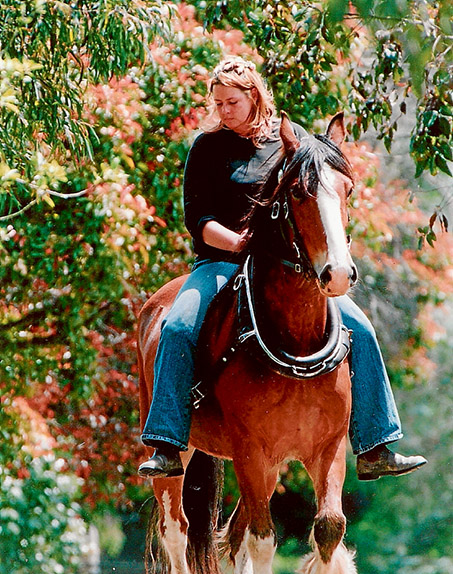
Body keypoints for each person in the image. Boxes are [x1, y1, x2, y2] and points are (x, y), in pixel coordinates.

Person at [138, 56, 426, 482]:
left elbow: (319, 195)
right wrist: (236, 242)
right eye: (217, 103)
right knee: (178, 326)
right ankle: (165, 441)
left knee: (361, 328)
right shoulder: (207, 147)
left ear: (254, 96)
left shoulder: (291, 144)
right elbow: (197, 218)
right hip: (220, 261)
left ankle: (375, 445)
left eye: (231, 102)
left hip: (286, 269)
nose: (223, 111)